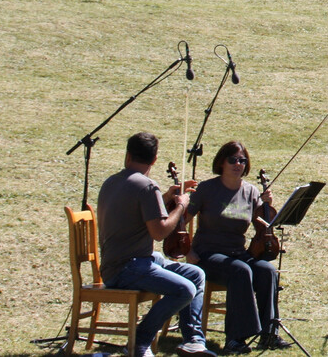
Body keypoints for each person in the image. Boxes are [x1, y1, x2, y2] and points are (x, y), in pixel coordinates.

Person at [96, 132, 214, 357]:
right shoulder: (147, 187)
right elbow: (159, 232)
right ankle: (139, 341)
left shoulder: (111, 182)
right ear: (154, 160)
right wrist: (181, 206)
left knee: (196, 274)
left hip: (122, 263)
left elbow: (137, 216)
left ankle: (192, 341)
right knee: (185, 290)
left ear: (128, 155)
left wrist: (167, 197)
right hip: (127, 268)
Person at [185, 142, 287, 354]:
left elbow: (264, 226)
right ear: (221, 162)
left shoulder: (250, 191)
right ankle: (236, 338)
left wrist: (266, 206)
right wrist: (187, 251)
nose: (238, 164)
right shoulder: (207, 189)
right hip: (207, 254)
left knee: (267, 270)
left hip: (238, 253)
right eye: (233, 160)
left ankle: (269, 334)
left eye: (242, 160)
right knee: (240, 271)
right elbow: (181, 221)